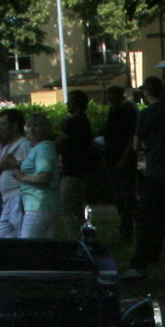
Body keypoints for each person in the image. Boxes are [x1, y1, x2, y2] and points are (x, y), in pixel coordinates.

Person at [126, 76, 165, 276]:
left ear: (146, 92)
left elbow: (136, 144)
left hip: (155, 170)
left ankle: (144, 258)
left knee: (149, 217)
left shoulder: (146, 115)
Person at [12, 111, 61, 239]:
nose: (32, 130)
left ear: (45, 128)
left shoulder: (43, 148)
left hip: (38, 205)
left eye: (36, 126)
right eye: (29, 126)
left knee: (27, 247)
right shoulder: (40, 148)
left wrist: (21, 178)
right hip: (43, 206)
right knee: (43, 249)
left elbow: (44, 177)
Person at [102, 85, 138, 246]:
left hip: (122, 160)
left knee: (126, 197)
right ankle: (126, 231)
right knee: (120, 198)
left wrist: (124, 160)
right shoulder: (113, 112)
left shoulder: (126, 113)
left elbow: (130, 138)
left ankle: (129, 231)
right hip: (112, 160)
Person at [59, 90, 99, 230]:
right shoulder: (85, 121)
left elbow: (59, 143)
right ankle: (83, 234)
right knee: (78, 208)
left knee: (67, 207)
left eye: (69, 101)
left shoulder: (74, 122)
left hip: (72, 171)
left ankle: (74, 237)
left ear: (76, 104)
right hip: (81, 171)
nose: (67, 104)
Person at [0, 109, 31, 238]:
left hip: (18, 197)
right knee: (2, 237)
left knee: (21, 235)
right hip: (6, 199)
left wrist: (14, 164)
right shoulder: (6, 148)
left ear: (14, 125)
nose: (1, 128)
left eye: (4, 124)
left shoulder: (25, 144)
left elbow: (32, 169)